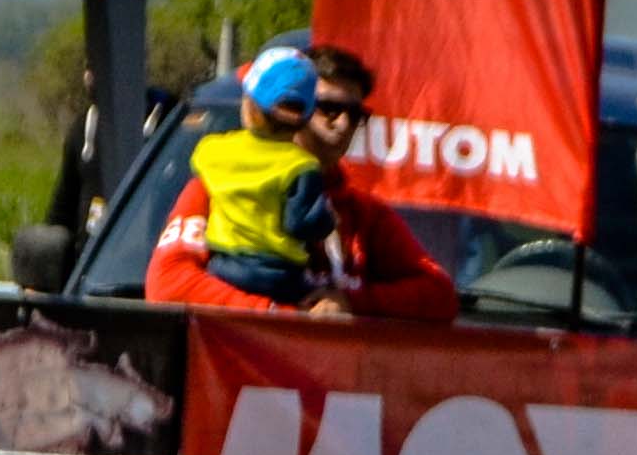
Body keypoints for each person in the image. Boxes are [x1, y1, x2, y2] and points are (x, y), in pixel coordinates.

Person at [141, 42, 458, 318]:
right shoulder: (218, 185)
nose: (343, 124)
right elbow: (167, 283)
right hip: (240, 363)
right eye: (329, 109)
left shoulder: (364, 213)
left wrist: (351, 303)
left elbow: (440, 295)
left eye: (356, 114)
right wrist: (277, 315)